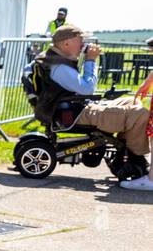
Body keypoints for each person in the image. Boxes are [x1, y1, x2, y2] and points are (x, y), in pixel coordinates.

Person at [31, 24, 153, 191]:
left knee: (132, 102)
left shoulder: (53, 59)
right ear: (66, 43)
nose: (83, 43)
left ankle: (126, 153)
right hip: (75, 113)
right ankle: (135, 159)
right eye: (80, 40)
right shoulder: (59, 67)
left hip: (76, 107)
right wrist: (90, 60)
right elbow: (87, 88)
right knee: (140, 113)